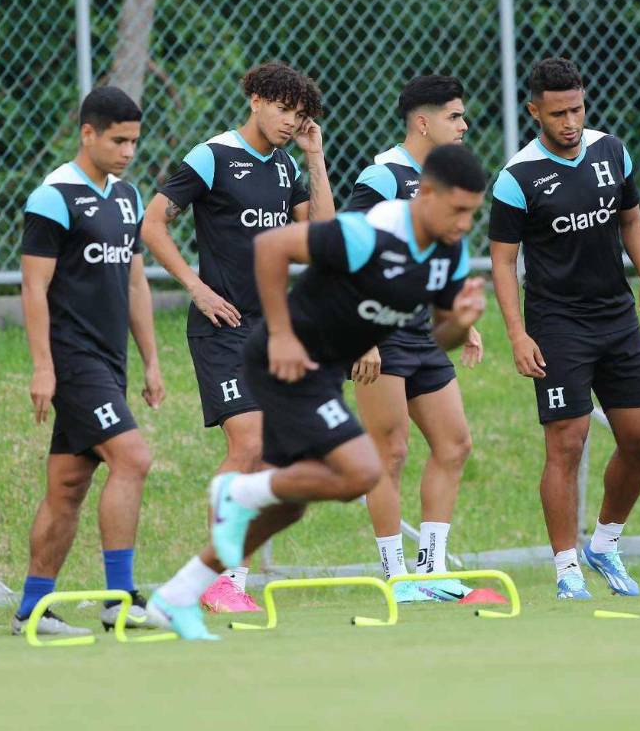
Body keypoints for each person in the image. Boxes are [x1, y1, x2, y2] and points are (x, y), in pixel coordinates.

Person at [147, 144, 487, 640]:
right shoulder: (371, 232)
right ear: (427, 194)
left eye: (472, 214)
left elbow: (436, 341)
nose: (464, 224)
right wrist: (282, 335)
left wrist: (459, 323)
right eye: (457, 210)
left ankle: (177, 594)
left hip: (324, 370)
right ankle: (239, 490)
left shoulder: (447, 250)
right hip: (286, 359)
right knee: (362, 471)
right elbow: (273, 248)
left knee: (291, 505)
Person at [142, 62, 333, 612]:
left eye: (299, 116)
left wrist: (314, 158)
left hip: (271, 330)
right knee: (246, 444)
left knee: (269, 455)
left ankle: (231, 581)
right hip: (222, 328)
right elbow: (153, 223)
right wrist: (196, 288)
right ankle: (218, 581)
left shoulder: (283, 166)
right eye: (282, 109)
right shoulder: (213, 156)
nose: (289, 122)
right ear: (254, 99)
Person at [489, 58, 640, 600]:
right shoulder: (517, 178)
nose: (569, 121)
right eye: (557, 112)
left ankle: (605, 544)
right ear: (534, 111)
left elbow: (630, 218)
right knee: (568, 441)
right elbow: (501, 262)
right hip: (557, 321)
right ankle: (566, 568)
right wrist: (517, 333)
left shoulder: (611, 151)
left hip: (614, 314)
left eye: (577, 109)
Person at [15, 87, 164, 636]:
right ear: (88, 134)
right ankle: (119, 598)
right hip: (73, 363)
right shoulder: (53, 196)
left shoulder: (126, 196)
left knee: (68, 486)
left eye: (133, 141)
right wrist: (42, 367)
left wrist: (150, 360)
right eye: (118, 140)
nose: (128, 151)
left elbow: (133, 280)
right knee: (133, 458)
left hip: (109, 362)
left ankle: (32, 609)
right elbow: (34, 287)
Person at [345, 75, 498, 605]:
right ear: (423, 122)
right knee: (390, 452)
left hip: (424, 333)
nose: (464, 125)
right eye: (455, 116)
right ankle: (394, 575)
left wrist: (458, 314)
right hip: (379, 332)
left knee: (454, 444)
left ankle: (430, 569)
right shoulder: (383, 176)